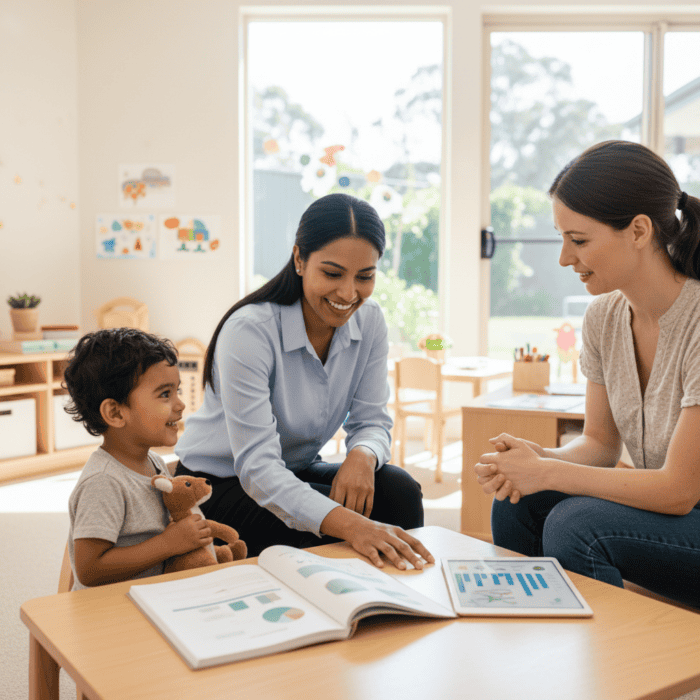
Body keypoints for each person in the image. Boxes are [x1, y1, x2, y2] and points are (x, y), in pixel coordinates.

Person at [475, 140, 700, 608]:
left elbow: (679, 491)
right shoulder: (604, 317)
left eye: (578, 240)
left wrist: (549, 471)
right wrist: (539, 461)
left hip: (686, 513)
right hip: (671, 517)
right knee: (518, 499)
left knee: (576, 523)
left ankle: (615, 672)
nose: (563, 257)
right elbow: (599, 445)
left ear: (639, 230)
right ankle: (530, 643)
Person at [175, 193, 433, 571]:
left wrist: (363, 455)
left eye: (365, 277)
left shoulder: (371, 320)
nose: (349, 293)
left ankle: (399, 598)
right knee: (332, 531)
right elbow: (258, 469)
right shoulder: (250, 330)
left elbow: (373, 421)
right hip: (220, 483)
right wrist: (354, 526)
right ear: (299, 259)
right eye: (332, 273)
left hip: (293, 467)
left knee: (398, 491)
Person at [63, 328, 213, 589]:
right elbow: (89, 569)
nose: (180, 405)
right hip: (111, 611)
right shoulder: (103, 482)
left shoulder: (152, 460)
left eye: (177, 391)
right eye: (165, 394)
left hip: (153, 595)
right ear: (116, 413)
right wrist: (168, 544)